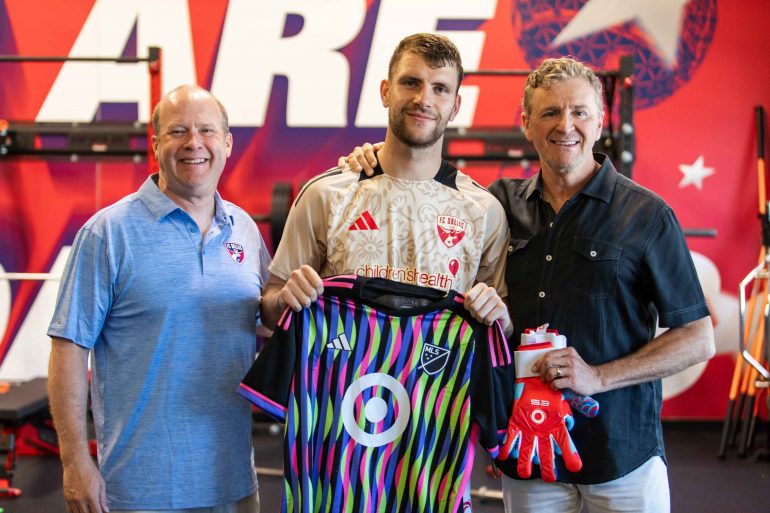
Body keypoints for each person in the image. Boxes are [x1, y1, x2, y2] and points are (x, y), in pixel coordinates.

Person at [346, 57, 715, 513]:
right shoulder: (498, 204)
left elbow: (698, 339)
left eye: (580, 112)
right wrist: (372, 162)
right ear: (526, 124)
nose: (566, 126)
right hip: (527, 457)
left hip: (622, 458)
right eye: (549, 113)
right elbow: (421, 185)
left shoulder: (647, 215)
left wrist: (598, 377)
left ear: (600, 121)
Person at [47, 85, 269, 513]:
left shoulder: (242, 228)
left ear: (226, 144)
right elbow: (68, 348)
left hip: (234, 484)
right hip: (138, 490)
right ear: (156, 146)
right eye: (178, 131)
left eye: (206, 130)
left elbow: (261, 321)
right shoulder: (107, 233)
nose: (193, 143)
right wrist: (75, 460)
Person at [261, 32, 511, 333]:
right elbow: (270, 309)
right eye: (410, 82)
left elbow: (500, 326)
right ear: (385, 91)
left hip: (438, 380)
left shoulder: (484, 211)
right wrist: (285, 300)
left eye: (440, 88)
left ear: (455, 106)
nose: (424, 99)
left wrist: (502, 320)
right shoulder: (325, 194)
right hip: (341, 379)